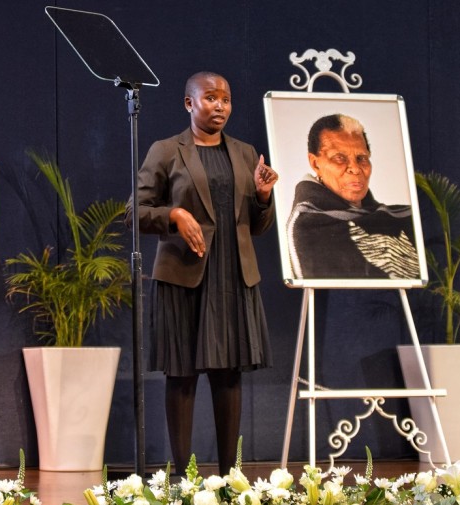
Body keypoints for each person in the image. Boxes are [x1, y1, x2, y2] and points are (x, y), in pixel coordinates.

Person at [126, 71, 277, 475]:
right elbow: (133, 212)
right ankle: (183, 475)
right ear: (189, 104)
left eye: (226, 100)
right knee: (182, 375)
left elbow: (257, 226)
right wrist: (174, 215)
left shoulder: (245, 153)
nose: (220, 106)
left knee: (228, 376)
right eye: (210, 99)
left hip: (234, 277)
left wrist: (264, 197)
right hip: (185, 277)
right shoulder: (166, 150)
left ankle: (230, 476)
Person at [287, 113, 418, 279]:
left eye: (361, 158)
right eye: (339, 158)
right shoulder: (309, 225)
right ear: (315, 163)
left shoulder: (399, 216)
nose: (355, 168)